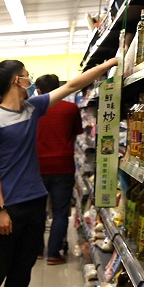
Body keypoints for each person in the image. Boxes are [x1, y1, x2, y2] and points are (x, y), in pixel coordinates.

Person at [0, 58, 117, 287]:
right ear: (16, 81)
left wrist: (112, 63)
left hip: (35, 200)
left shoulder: (32, 108)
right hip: (6, 205)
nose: (30, 79)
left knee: (23, 267)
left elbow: (74, 84)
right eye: (26, 75)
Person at [35, 73, 82, 264]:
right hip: (63, 166)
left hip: (37, 167)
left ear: (38, 91)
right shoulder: (71, 108)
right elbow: (75, 133)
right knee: (60, 211)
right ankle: (54, 254)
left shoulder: (32, 109)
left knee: (37, 212)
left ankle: (37, 250)